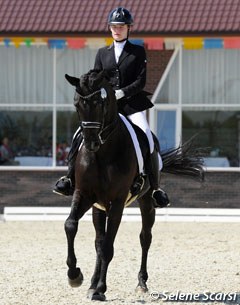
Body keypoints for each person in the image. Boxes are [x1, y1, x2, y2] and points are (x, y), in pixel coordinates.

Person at [53, 7, 169, 208]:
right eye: (114, 26)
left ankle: (155, 189)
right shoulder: (102, 53)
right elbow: (96, 77)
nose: (117, 30)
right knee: (78, 135)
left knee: (148, 138)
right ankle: (69, 178)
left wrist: (121, 93)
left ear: (128, 28)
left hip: (130, 106)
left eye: (121, 26)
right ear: (110, 29)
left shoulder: (137, 51)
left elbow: (141, 82)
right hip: (106, 109)